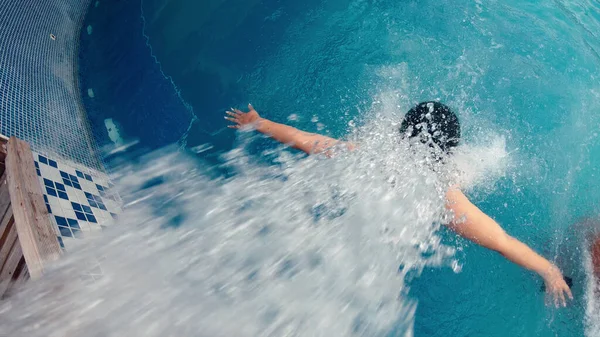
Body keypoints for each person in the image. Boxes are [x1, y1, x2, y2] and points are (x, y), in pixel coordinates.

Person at [225, 101, 573, 307]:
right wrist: (550, 271)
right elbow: (501, 241)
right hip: (378, 259)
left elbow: (309, 141)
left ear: (401, 133)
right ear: (449, 150)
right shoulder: (443, 197)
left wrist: (260, 123)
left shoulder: (370, 155)